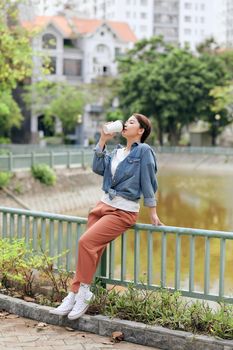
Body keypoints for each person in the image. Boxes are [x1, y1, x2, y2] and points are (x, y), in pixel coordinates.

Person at [49, 113, 163, 320]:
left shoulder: (144, 151)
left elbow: (149, 181)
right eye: (126, 121)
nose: (126, 124)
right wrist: (102, 140)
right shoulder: (117, 151)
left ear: (141, 131)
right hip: (102, 206)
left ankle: (82, 293)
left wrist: (152, 211)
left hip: (123, 211)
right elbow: (98, 168)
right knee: (91, 250)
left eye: (131, 122)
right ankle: (74, 294)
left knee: (85, 243)